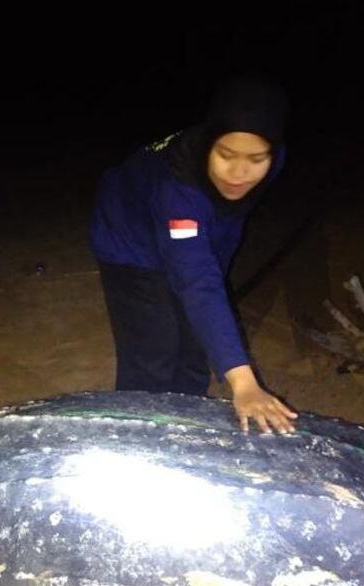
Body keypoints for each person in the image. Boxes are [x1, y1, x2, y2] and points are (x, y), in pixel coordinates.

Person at [89, 76, 299, 434]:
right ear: (207, 146)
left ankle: (184, 429)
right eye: (226, 155)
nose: (239, 173)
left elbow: (214, 245)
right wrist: (244, 383)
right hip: (130, 238)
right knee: (153, 353)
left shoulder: (272, 159)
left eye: (255, 159)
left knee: (194, 349)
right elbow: (196, 278)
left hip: (192, 233)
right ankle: (137, 439)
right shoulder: (176, 188)